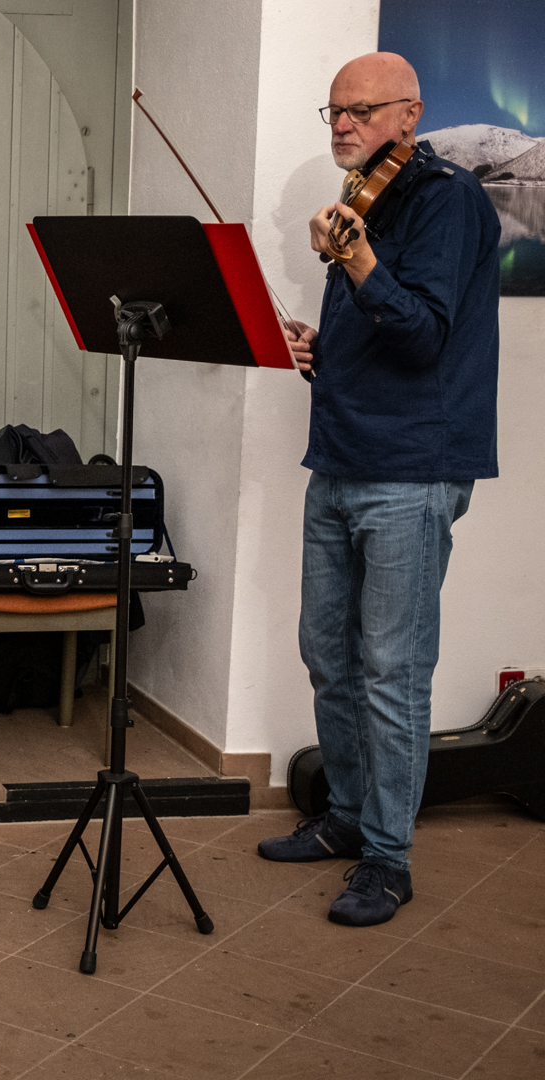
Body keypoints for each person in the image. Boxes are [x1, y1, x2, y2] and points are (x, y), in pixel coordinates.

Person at [258, 53, 500, 927]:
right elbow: (378, 339)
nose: (344, 125)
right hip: (340, 456)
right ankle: (347, 817)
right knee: (327, 650)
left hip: (413, 469)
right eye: (334, 112)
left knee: (393, 670)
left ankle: (388, 859)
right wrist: (319, 347)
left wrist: (356, 257)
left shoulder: (448, 202)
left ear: (410, 114)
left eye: (361, 111)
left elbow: (426, 335)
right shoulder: (364, 199)